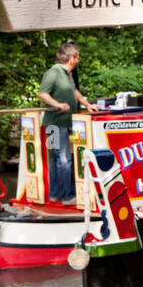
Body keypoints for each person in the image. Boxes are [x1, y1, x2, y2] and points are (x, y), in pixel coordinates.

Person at [38, 42, 97, 205]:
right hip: (54, 125)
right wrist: (57, 104)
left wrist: (87, 104)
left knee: (58, 158)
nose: (78, 60)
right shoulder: (54, 73)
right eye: (77, 57)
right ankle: (67, 196)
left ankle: (55, 194)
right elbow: (42, 93)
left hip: (63, 124)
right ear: (71, 58)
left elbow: (74, 91)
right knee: (63, 159)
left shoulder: (67, 74)